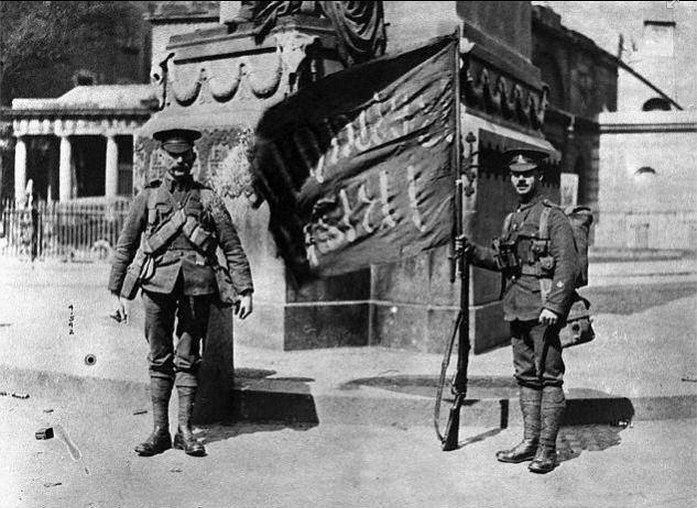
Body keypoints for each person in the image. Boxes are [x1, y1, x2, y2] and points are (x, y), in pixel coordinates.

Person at [108, 128, 254, 457]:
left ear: (194, 158)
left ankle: (184, 430)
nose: (179, 161)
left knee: (189, 357)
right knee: (159, 357)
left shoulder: (208, 199)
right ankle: (160, 430)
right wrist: (117, 292)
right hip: (156, 286)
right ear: (161, 158)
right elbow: (126, 245)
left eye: (185, 155)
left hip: (197, 287)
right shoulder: (146, 198)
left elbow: (231, 246)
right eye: (172, 155)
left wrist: (245, 289)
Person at [464, 148, 578, 474]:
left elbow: (567, 266)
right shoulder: (512, 219)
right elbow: (504, 262)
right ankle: (529, 442)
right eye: (516, 174)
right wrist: (471, 252)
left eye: (527, 174)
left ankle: (547, 449)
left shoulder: (551, 216)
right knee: (526, 376)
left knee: (550, 376)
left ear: (539, 176)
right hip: (516, 308)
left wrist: (555, 306)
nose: (521, 179)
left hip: (543, 311)